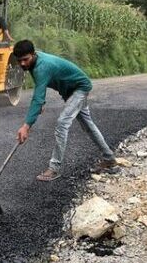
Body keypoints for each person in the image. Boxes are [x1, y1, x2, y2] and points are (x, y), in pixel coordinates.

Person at [13, 40, 115, 181]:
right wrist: (41, 102)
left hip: (79, 88)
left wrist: (26, 126)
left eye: (25, 59)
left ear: (33, 54)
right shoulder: (33, 62)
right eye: (20, 61)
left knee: (62, 123)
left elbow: (37, 96)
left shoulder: (42, 67)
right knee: (88, 126)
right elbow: (39, 91)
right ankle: (109, 158)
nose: (23, 63)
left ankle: (54, 168)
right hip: (71, 92)